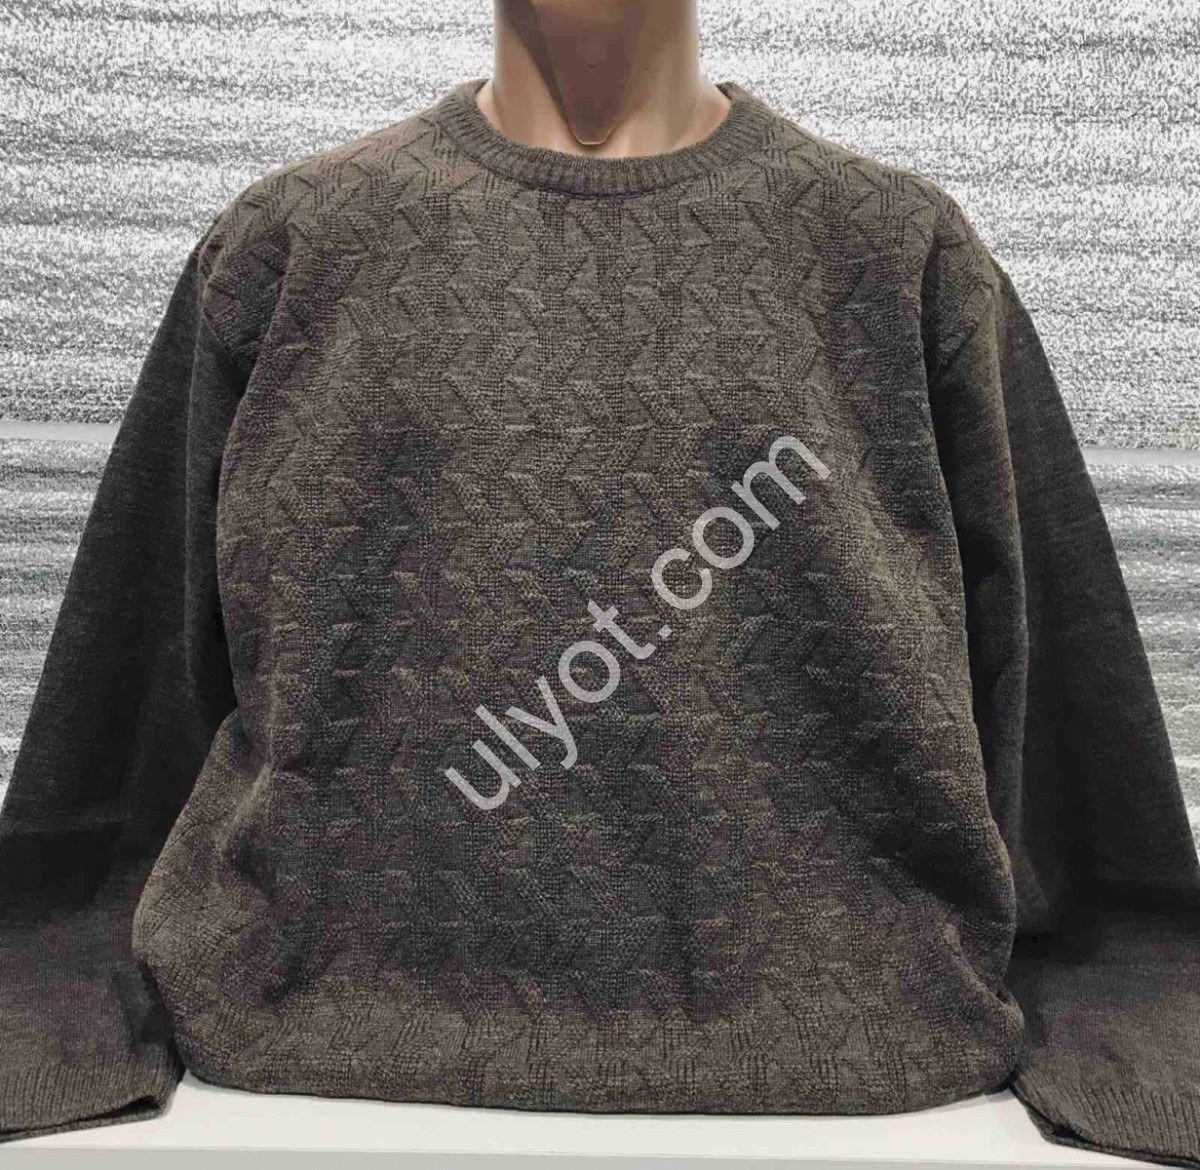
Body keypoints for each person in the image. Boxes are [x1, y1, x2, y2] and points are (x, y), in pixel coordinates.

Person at [5, 1, 1200, 1164]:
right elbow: (130, 686)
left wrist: (1143, 1032)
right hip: (308, 1040)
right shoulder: (291, 248)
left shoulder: (894, 253)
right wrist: (52, 1017)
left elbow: (1065, 690)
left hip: (854, 1052)